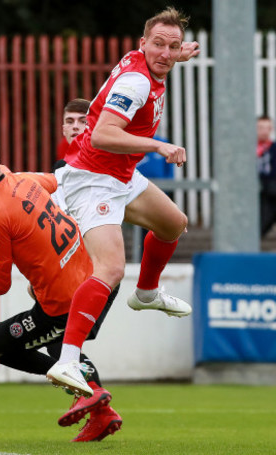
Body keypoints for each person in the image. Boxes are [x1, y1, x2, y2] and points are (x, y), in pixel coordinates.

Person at [46, 7, 200, 396]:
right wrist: (158, 145)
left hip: (122, 175)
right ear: (141, 44)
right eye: (158, 45)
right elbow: (101, 134)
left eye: (173, 46)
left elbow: (162, 55)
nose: (165, 53)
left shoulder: (145, 60)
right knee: (111, 269)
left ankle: (146, 293)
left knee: (172, 223)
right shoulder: (135, 82)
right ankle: (67, 361)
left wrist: (176, 54)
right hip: (93, 179)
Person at [0, 134, 122, 442]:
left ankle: (85, 387)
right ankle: (100, 412)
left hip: (65, 305)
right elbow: (59, 182)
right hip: (98, 280)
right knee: (54, 331)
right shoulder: (20, 179)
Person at [53, 98, 90, 211]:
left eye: (83, 121)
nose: (75, 126)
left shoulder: (109, 165)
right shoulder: (60, 168)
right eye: (69, 121)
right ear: (64, 130)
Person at [256, 115, 276, 237]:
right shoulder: (248, 147)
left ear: (271, 129)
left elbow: (275, 171)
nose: (264, 131)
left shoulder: (274, 147)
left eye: (267, 128)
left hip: (267, 191)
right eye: (260, 127)